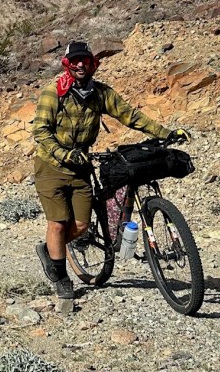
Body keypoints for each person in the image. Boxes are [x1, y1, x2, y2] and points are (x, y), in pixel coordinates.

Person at [31, 41, 189, 299]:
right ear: (67, 64)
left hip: (81, 165)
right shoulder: (54, 93)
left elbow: (130, 115)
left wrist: (166, 133)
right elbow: (40, 131)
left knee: (81, 225)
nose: (80, 65)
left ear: (92, 64)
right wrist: (64, 153)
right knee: (58, 225)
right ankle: (61, 277)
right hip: (52, 166)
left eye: (85, 60)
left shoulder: (100, 93)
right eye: (75, 60)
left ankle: (50, 248)